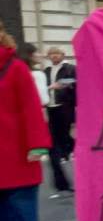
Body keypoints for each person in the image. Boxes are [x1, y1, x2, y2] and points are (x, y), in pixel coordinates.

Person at [0, 22, 51, 221]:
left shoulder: (16, 68)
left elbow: (31, 109)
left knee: (22, 212)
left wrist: (38, 145)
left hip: (18, 154)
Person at [42, 46, 75, 198]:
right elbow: (42, 89)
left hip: (66, 108)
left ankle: (67, 152)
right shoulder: (46, 71)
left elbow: (76, 84)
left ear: (63, 54)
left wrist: (64, 86)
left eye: (57, 53)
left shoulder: (70, 68)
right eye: (51, 54)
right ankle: (61, 182)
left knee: (66, 138)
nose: (54, 56)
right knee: (54, 143)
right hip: (51, 109)